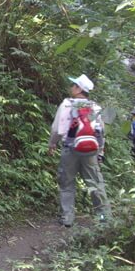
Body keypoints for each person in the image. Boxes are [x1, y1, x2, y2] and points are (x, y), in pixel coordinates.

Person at [48, 74, 112, 227]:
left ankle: (67, 218)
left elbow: (57, 129)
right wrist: (100, 153)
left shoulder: (66, 104)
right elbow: (101, 132)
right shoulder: (95, 107)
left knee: (67, 183)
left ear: (79, 89)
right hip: (90, 151)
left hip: (70, 150)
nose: (71, 87)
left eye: (74, 85)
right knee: (95, 184)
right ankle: (104, 218)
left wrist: (52, 144)